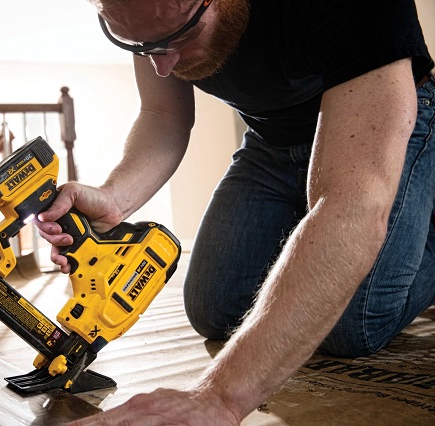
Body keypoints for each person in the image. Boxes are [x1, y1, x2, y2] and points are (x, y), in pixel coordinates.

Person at [35, 0, 435, 424]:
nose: (163, 67)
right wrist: (114, 197)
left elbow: (350, 201)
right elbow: (162, 114)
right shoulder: (151, 19)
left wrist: (219, 398)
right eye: (143, 47)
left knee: (355, 325)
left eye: (181, 38)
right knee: (215, 308)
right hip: (270, 140)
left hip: (392, 119)